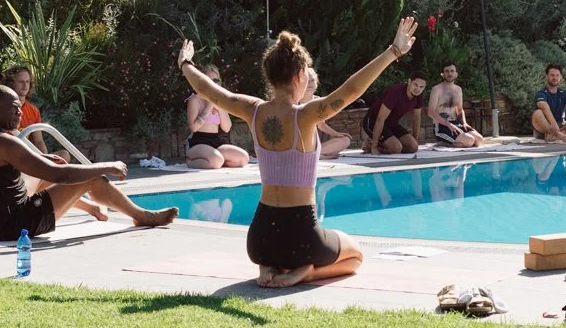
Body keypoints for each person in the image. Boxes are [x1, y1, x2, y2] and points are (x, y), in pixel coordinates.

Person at [177, 18, 418, 287]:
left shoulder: (252, 110)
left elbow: (209, 90)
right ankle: (307, 272)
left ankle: (267, 267)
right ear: (300, 76)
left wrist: (185, 63)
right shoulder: (305, 116)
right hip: (300, 239)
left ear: (269, 76)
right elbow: (351, 90)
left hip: (260, 241)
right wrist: (394, 51)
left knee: (280, 250)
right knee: (356, 256)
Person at [0, 85, 177, 242]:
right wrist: (105, 166)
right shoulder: (5, 142)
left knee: (46, 171)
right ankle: (142, 216)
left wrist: (43, 160)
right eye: (12, 108)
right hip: (15, 225)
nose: (18, 112)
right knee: (90, 177)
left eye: (19, 107)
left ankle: (95, 208)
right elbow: (60, 175)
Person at [185, 64, 250, 169]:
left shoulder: (221, 101)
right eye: (209, 80)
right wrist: (208, 107)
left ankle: (215, 160)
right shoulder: (195, 100)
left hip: (217, 142)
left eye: (216, 80)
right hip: (198, 142)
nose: (213, 84)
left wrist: (218, 106)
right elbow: (194, 127)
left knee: (243, 158)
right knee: (216, 160)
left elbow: (227, 128)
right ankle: (191, 161)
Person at [364, 70, 427, 154]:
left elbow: (416, 118)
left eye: (421, 87)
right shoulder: (396, 92)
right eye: (415, 85)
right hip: (373, 121)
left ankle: (390, 145)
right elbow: (380, 118)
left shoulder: (418, 95)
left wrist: (415, 140)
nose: (418, 89)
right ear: (409, 81)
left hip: (391, 124)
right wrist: (374, 147)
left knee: (413, 147)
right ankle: (370, 144)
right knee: (396, 148)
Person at [428, 62, 484, 147]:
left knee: (479, 140)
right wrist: (448, 124)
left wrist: (464, 123)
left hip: (456, 124)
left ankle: (455, 142)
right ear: (442, 74)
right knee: (469, 140)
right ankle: (444, 144)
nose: (449, 73)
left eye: (452, 71)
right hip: (442, 126)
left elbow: (460, 110)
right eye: (446, 71)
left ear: (456, 74)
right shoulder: (436, 89)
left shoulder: (458, 89)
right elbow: (431, 112)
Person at [303, 68, 352, 158]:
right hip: (298, 145)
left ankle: (316, 154)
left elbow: (321, 125)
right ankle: (317, 155)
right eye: (307, 81)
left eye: (312, 80)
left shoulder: (319, 101)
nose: (310, 83)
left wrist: (337, 134)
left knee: (345, 140)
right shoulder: (294, 102)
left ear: (316, 82)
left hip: (314, 146)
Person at [3, 64, 48, 154]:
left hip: (30, 156)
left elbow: (39, 141)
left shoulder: (34, 110)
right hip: (9, 156)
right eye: (21, 82)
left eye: (27, 82)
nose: (25, 85)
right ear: (11, 83)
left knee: (64, 154)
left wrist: (45, 159)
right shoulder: (2, 108)